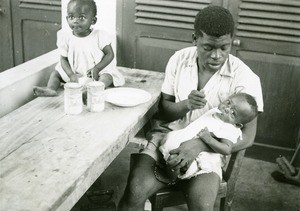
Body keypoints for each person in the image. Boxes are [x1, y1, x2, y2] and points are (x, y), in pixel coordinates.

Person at [118, 5, 263, 211]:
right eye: (208, 47)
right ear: (195, 39)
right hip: (166, 141)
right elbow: (164, 111)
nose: (216, 56)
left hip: (208, 155)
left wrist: (200, 145)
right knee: (134, 193)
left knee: (202, 207)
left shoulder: (245, 78)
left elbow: (248, 137)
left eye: (224, 47)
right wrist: (186, 105)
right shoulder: (179, 60)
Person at [157, 93, 258, 184]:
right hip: (186, 140)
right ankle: (167, 163)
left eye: (233, 113)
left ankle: (172, 179)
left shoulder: (229, 128)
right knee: (169, 139)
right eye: (228, 102)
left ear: (238, 124)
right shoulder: (215, 112)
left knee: (174, 160)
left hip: (198, 158)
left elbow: (227, 149)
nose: (227, 108)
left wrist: (209, 139)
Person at [33, 0, 124, 97]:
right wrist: (71, 74)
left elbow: (110, 54)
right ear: (67, 18)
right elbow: (63, 59)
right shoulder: (65, 37)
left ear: (93, 21)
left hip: (95, 73)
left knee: (107, 76)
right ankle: (51, 88)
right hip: (75, 74)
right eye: (71, 17)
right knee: (56, 73)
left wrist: (97, 69)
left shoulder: (99, 35)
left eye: (81, 17)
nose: (75, 21)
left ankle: (94, 91)